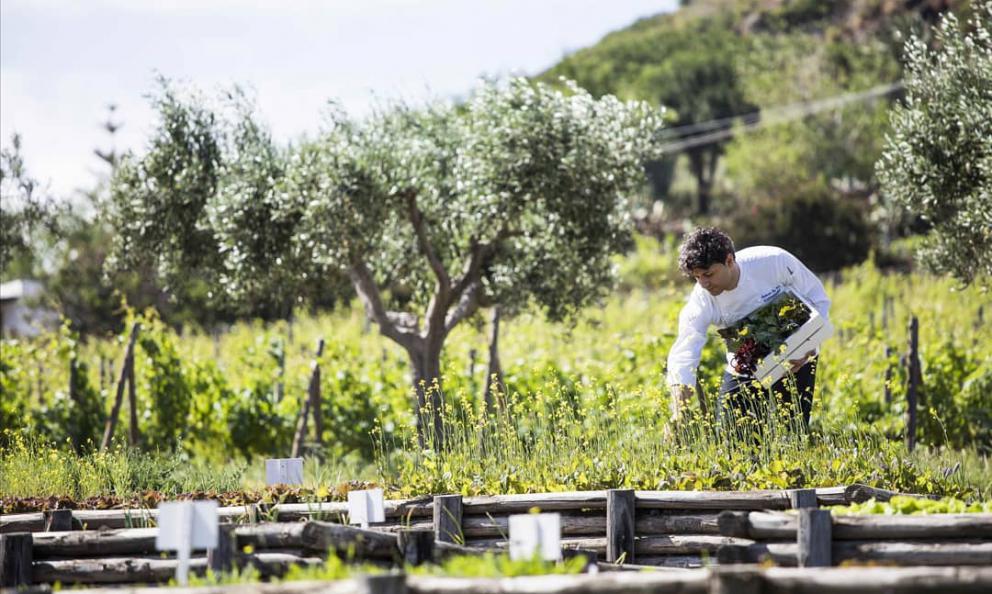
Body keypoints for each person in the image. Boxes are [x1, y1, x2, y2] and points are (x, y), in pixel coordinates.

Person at [666, 228, 831, 433]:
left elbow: (818, 298)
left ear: (729, 261)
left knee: (792, 433)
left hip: (797, 356)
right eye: (697, 277)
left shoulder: (773, 261)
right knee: (732, 441)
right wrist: (679, 409)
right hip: (744, 365)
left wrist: (808, 348)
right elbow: (685, 350)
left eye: (708, 274)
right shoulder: (702, 298)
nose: (704, 283)